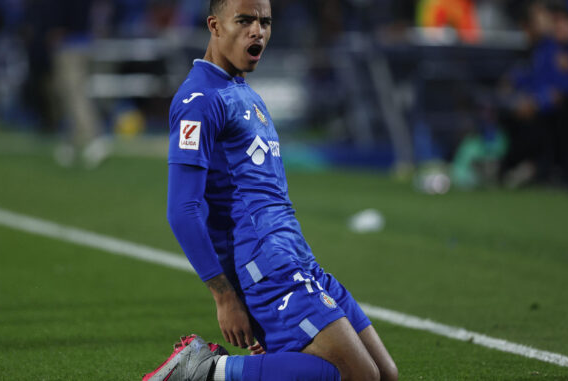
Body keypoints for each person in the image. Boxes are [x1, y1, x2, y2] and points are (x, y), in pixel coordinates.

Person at [143, 0, 398, 380]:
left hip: (297, 258)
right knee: (360, 376)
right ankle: (207, 371)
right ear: (214, 25)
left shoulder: (244, 93)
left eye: (265, 22)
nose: (257, 31)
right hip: (268, 266)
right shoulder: (199, 99)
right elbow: (183, 209)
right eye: (244, 20)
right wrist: (226, 296)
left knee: (385, 374)